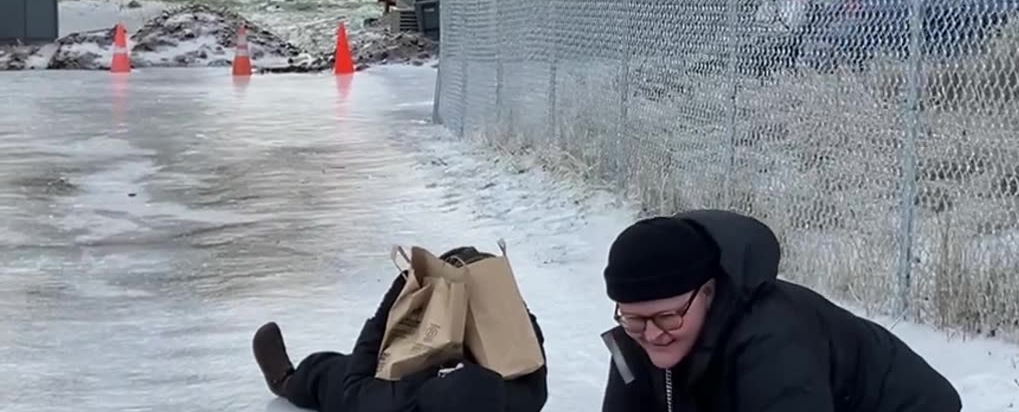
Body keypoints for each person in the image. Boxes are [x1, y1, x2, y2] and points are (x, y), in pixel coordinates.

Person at [600, 210, 962, 412]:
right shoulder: (638, 338)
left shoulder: (774, 340)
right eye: (633, 318)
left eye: (667, 317)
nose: (651, 334)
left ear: (708, 293)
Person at [253, 246, 549, 412]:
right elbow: (527, 349)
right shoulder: (521, 400)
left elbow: (357, 375)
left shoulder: (391, 403)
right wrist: (504, 297)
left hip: (387, 383)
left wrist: (401, 291)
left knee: (328, 372)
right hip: (470, 373)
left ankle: (285, 381)